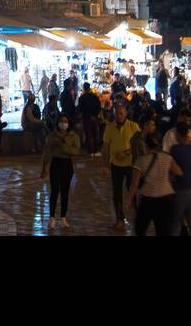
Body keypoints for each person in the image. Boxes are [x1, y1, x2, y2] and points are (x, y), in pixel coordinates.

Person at [127, 120, 184, 236]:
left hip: (148, 199)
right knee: (163, 230)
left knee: (140, 229)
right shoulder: (167, 158)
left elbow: (134, 185)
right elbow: (179, 172)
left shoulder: (141, 161)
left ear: (146, 145)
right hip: (166, 198)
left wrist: (128, 201)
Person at [101, 101, 141, 231]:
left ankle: (137, 218)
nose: (119, 116)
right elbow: (106, 147)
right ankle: (119, 219)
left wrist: (126, 153)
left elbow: (139, 147)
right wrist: (105, 165)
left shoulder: (133, 126)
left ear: (126, 113)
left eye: (121, 113)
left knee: (133, 191)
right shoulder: (109, 127)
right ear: (114, 114)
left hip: (131, 165)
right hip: (116, 165)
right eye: (117, 114)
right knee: (117, 193)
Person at [41, 113, 80, 230]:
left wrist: (63, 145)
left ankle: (63, 217)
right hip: (55, 164)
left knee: (65, 191)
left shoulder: (73, 136)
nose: (63, 123)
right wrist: (45, 168)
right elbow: (47, 152)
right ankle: (51, 217)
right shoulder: (52, 136)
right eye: (61, 121)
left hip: (67, 164)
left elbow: (76, 151)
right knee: (54, 190)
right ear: (58, 123)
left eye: (65, 121)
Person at [78, 82, 103, 155]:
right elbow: (99, 107)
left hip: (86, 118)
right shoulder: (95, 97)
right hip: (94, 118)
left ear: (84, 89)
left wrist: (88, 115)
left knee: (88, 134)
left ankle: (90, 151)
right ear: (89, 88)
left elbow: (81, 109)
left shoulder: (81, 98)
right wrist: (94, 115)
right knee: (96, 133)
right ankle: (97, 150)